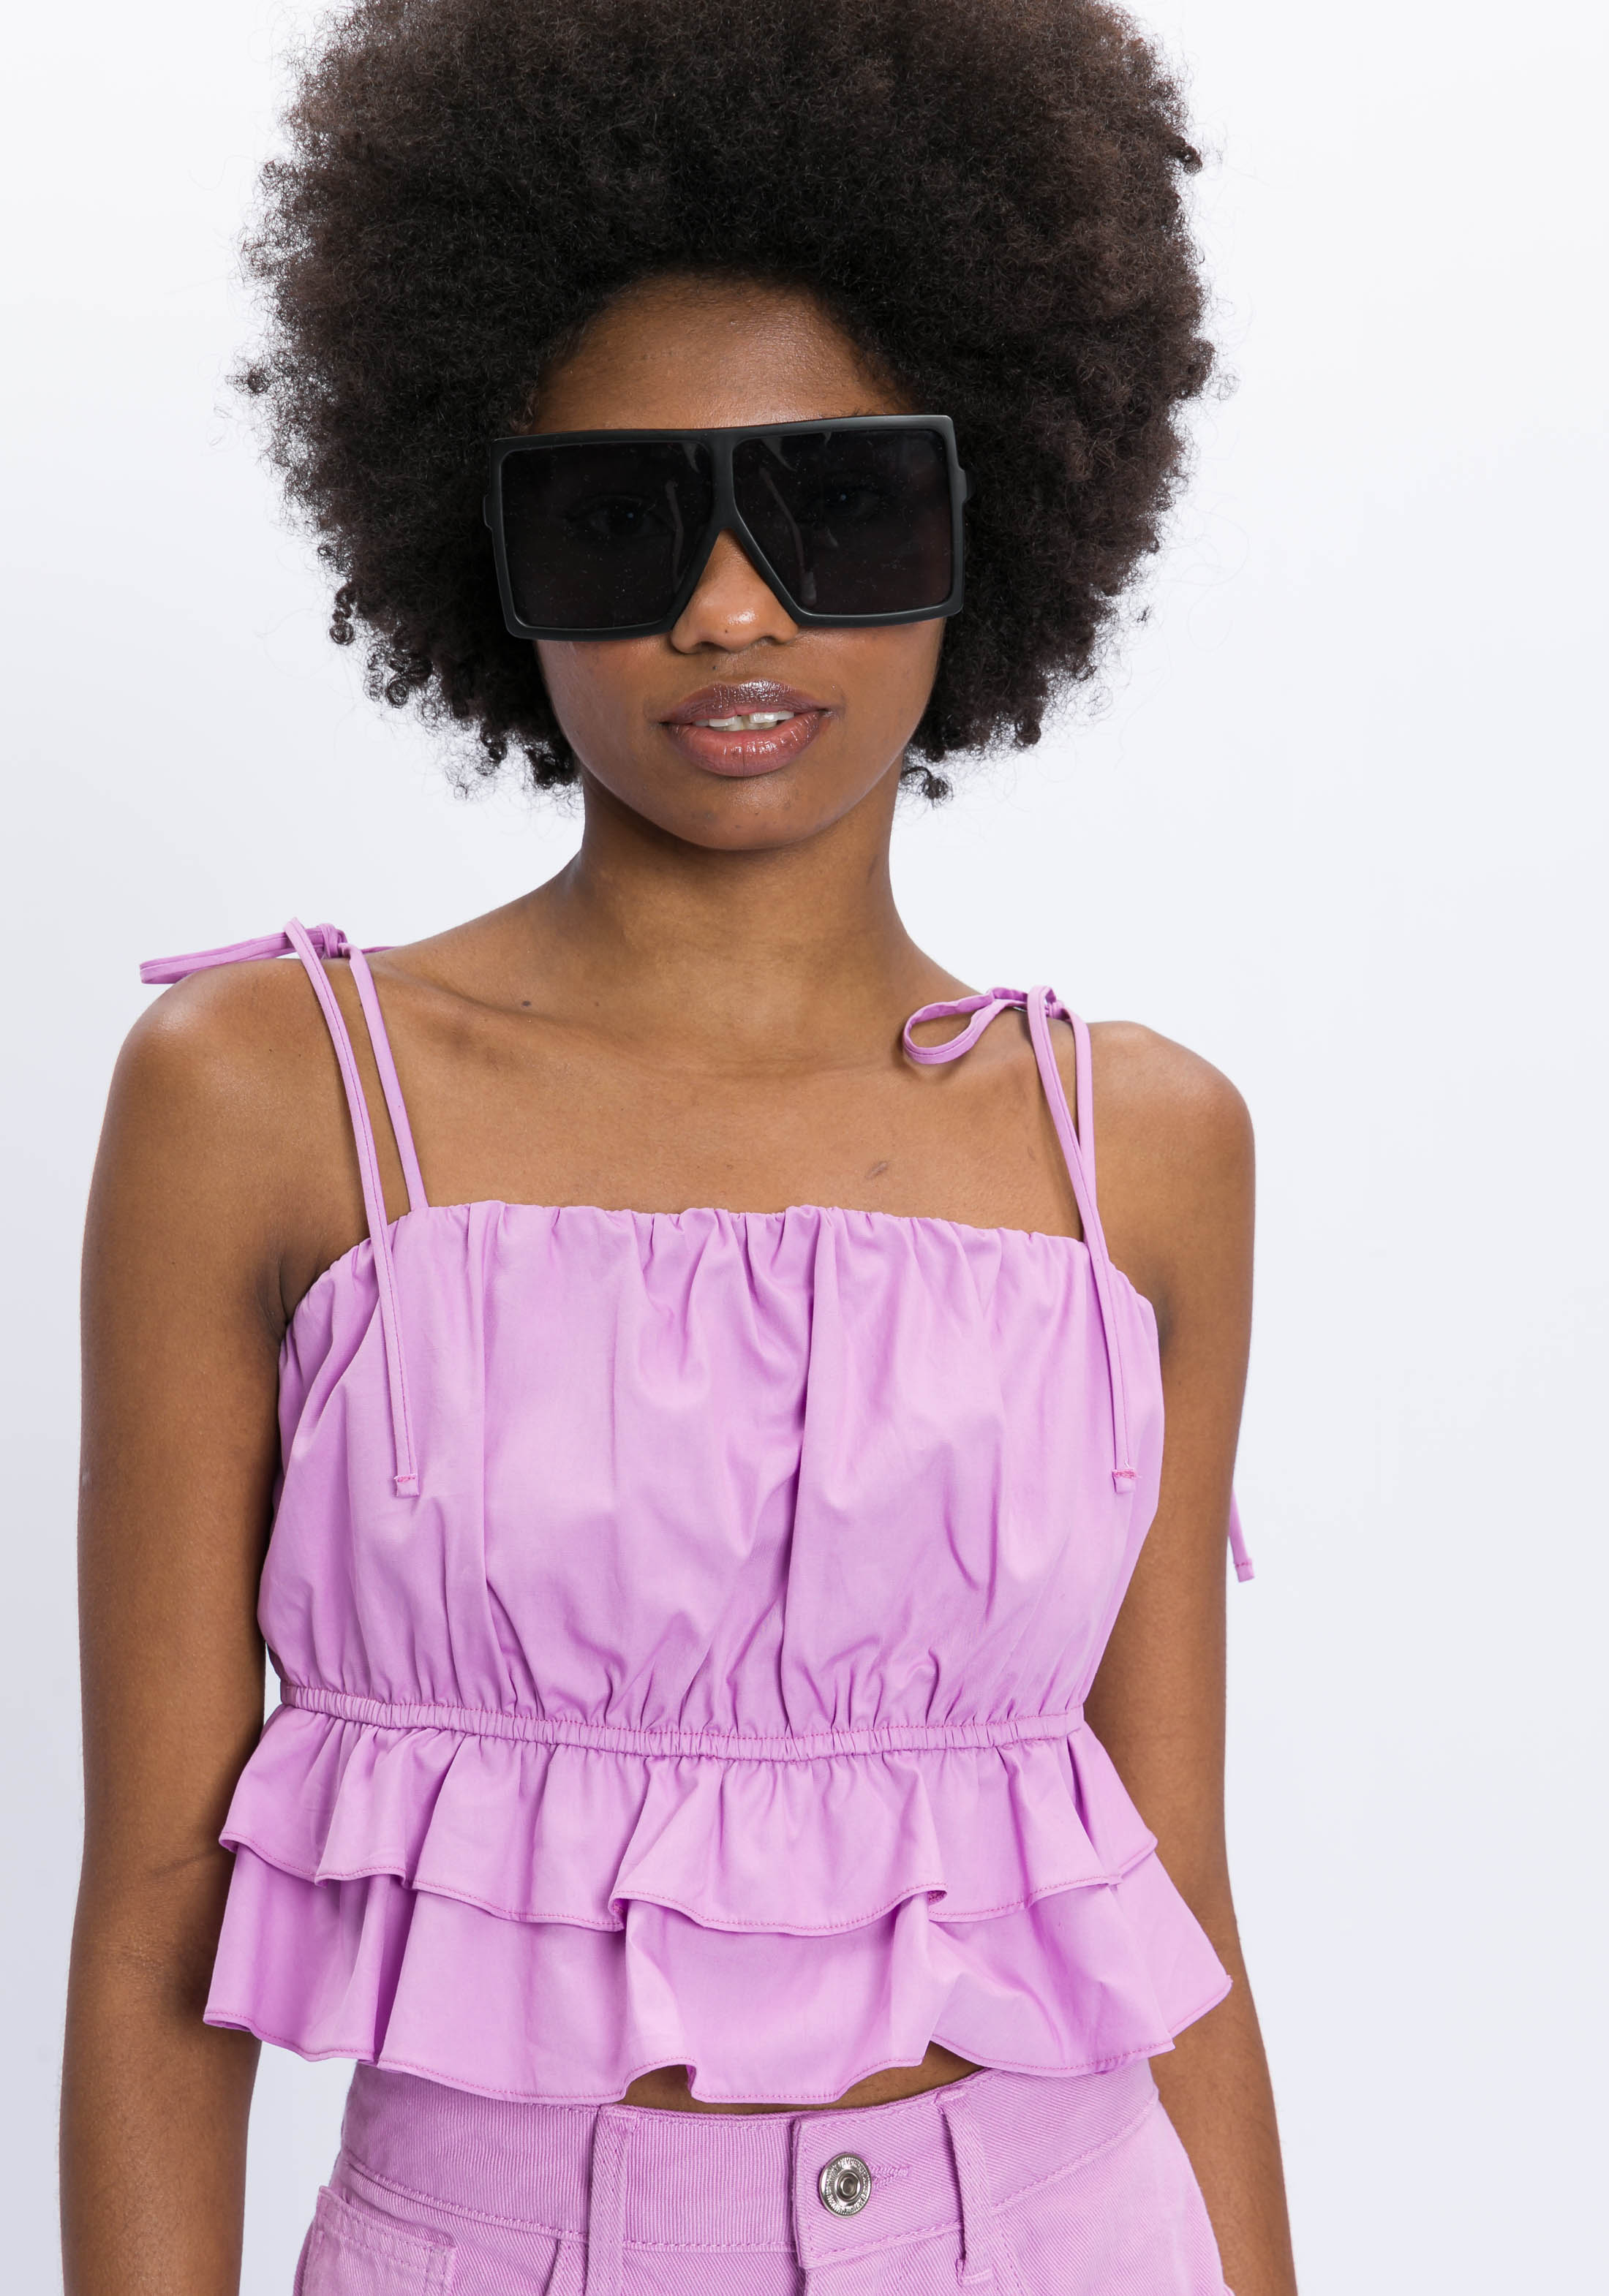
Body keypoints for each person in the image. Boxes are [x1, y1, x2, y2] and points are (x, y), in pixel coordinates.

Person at [61, 1, 1298, 2289]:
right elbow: (158, 1908)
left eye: (838, 505)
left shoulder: (1139, 1149)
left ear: (991, 516)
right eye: (621, 521)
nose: (731, 605)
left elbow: (1171, 1903)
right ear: (485, 543)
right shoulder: (267, 1097)